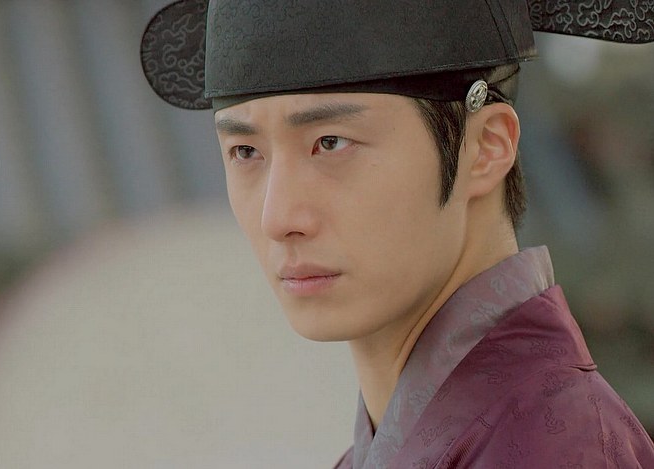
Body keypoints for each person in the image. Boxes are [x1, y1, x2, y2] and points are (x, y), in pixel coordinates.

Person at [140, 1, 654, 467]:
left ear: (486, 147)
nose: (278, 218)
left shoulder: (560, 445)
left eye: (330, 142)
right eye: (245, 152)